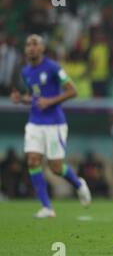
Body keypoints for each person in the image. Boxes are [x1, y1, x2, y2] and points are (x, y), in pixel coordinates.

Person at [10, 34, 91, 218]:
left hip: (54, 123)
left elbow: (73, 90)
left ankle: (78, 184)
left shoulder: (54, 68)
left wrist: (51, 101)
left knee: (55, 167)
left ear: (42, 48)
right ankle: (47, 207)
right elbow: (35, 96)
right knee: (32, 160)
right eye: (28, 44)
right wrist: (22, 99)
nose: (31, 47)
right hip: (34, 122)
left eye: (35, 44)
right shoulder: (26, 72)